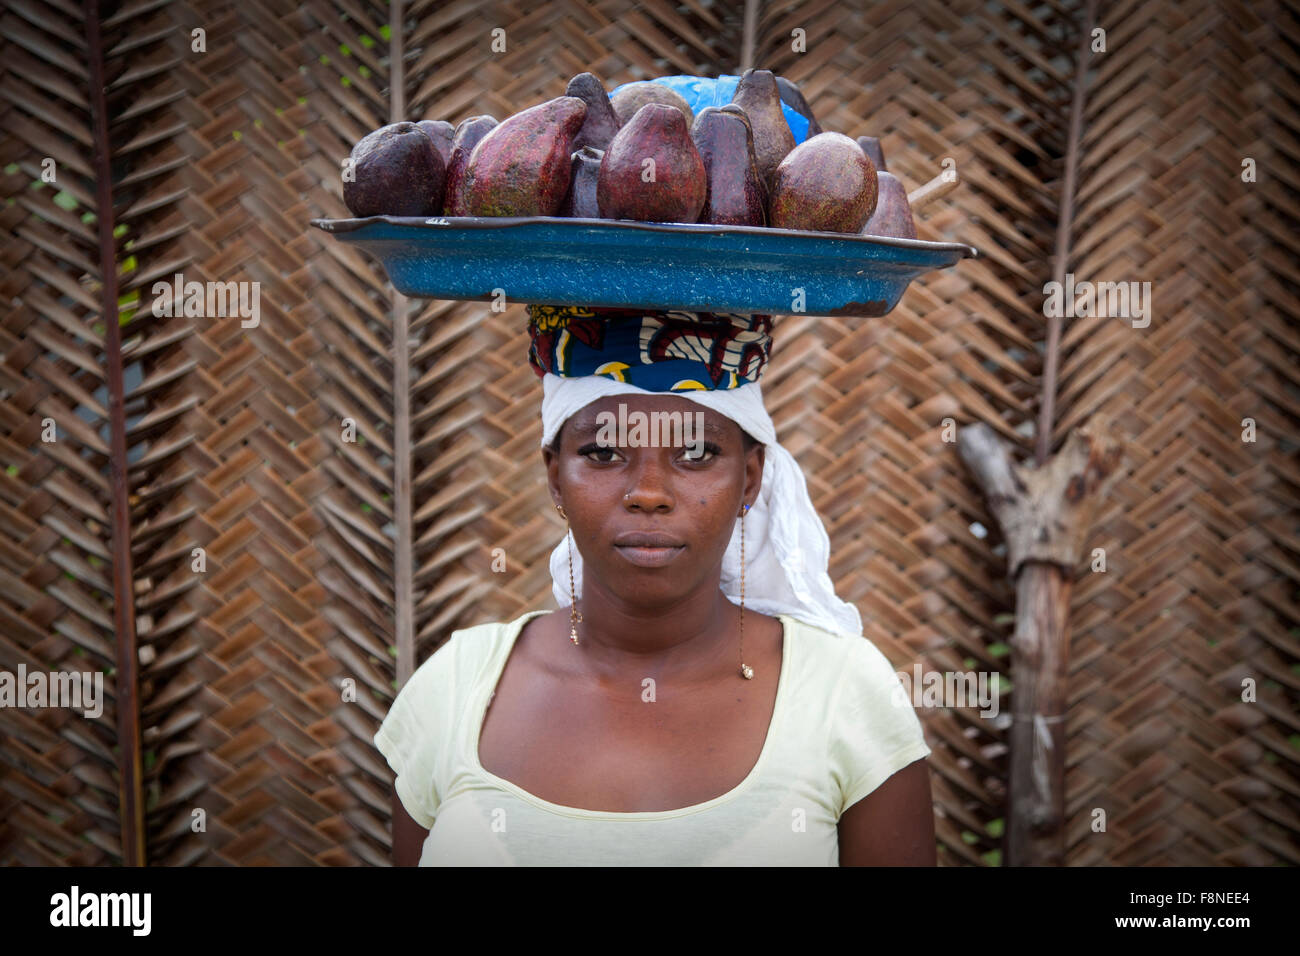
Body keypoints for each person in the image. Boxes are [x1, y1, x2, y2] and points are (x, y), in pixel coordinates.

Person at [374, 304, 934, 865]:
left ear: (751, 480)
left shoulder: (843, 693)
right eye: (604, 452)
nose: (648, 492)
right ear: (555, 478)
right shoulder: (456, 689)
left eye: (695, 453)